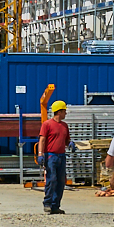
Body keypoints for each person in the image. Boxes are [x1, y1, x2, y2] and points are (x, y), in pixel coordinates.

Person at [37, 86, 69, 215]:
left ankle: (56, 205)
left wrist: (70, 143)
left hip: (61, 156)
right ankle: (48, 203)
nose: (65, 113)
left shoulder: (64, 126)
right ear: (59, 111)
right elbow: (42, 140)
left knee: (61, 181)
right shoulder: (47, 124)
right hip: (51, 156)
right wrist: (40, 154)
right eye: (64, 111)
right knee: (52, 179)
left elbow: (66, 140)